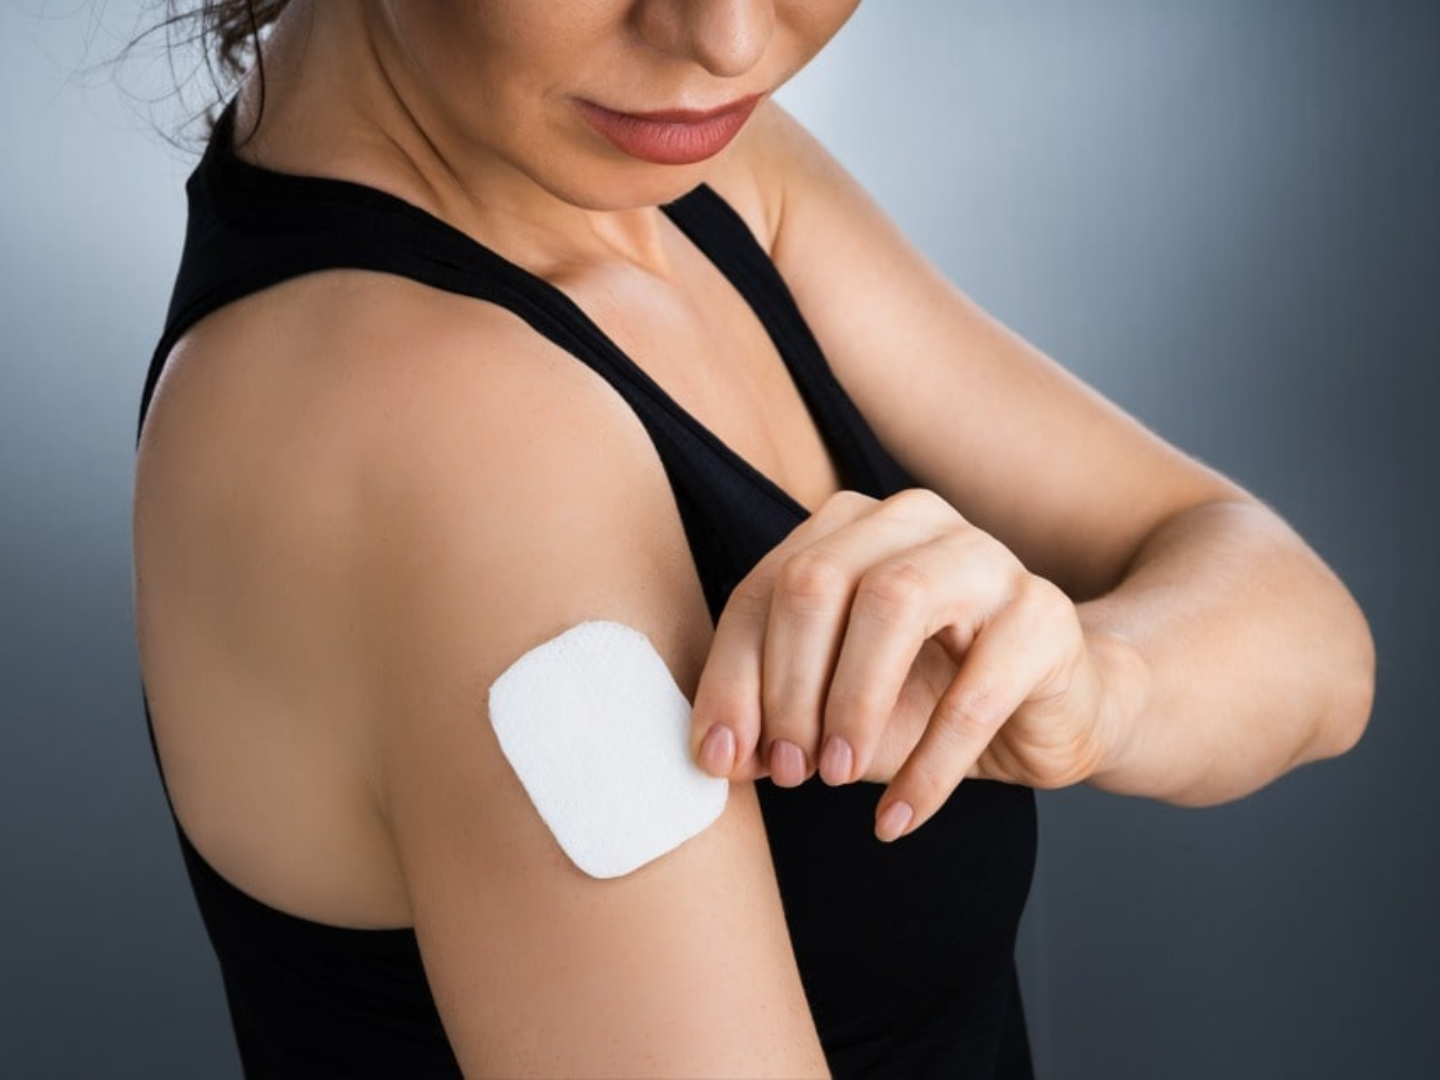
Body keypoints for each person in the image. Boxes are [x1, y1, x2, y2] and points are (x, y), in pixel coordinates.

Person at [131, 1, 1375, 1076]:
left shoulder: (680, 178)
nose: (726, 37)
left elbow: (1310, 638)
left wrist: (1101, 687)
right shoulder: (445, 436)